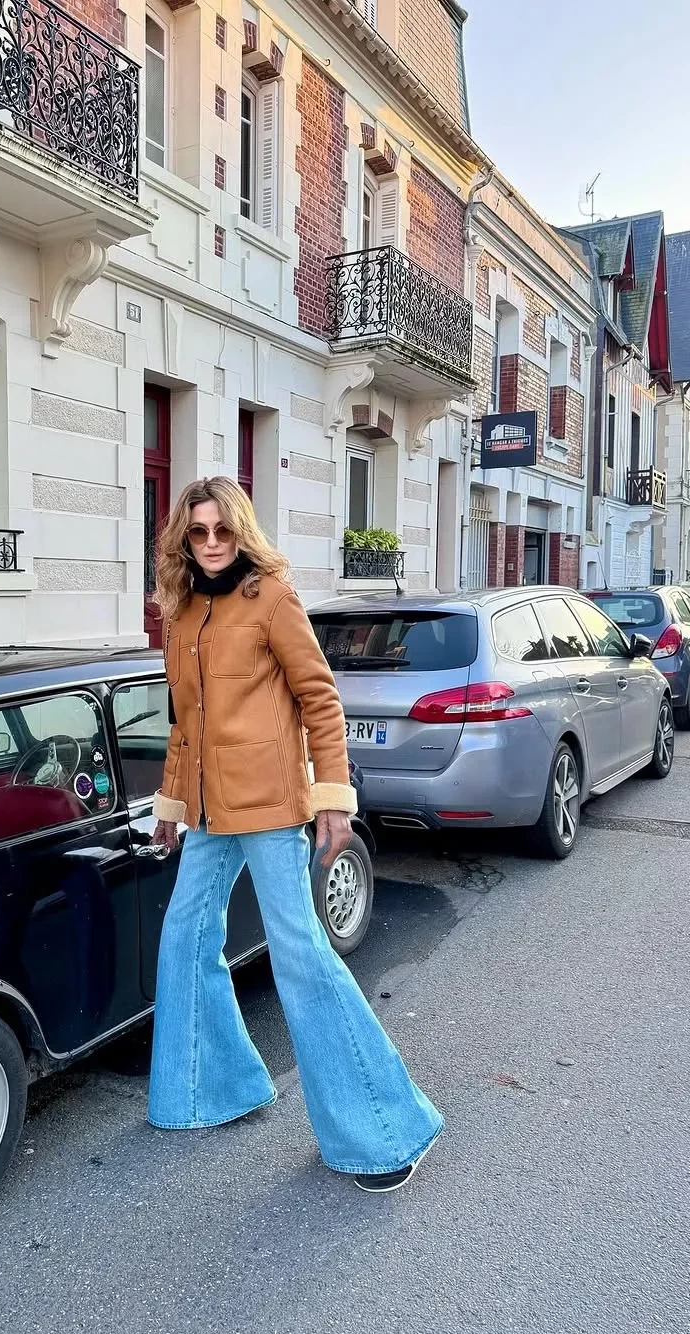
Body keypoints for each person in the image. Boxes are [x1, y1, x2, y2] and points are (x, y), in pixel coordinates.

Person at [147, 476, 442, 1192]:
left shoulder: (271, 598)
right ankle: (217, 1089)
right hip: (209, 812)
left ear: (241, 532)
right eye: (198, 531)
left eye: (223, 530)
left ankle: (384, 1132)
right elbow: (185, 725)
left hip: (273, 806)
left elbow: (320, 699)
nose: (211, 543)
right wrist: (170, 805)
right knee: (184, 938)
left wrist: (332, 799)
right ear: (183, 538)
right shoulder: (181, 611)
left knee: (300, 957)